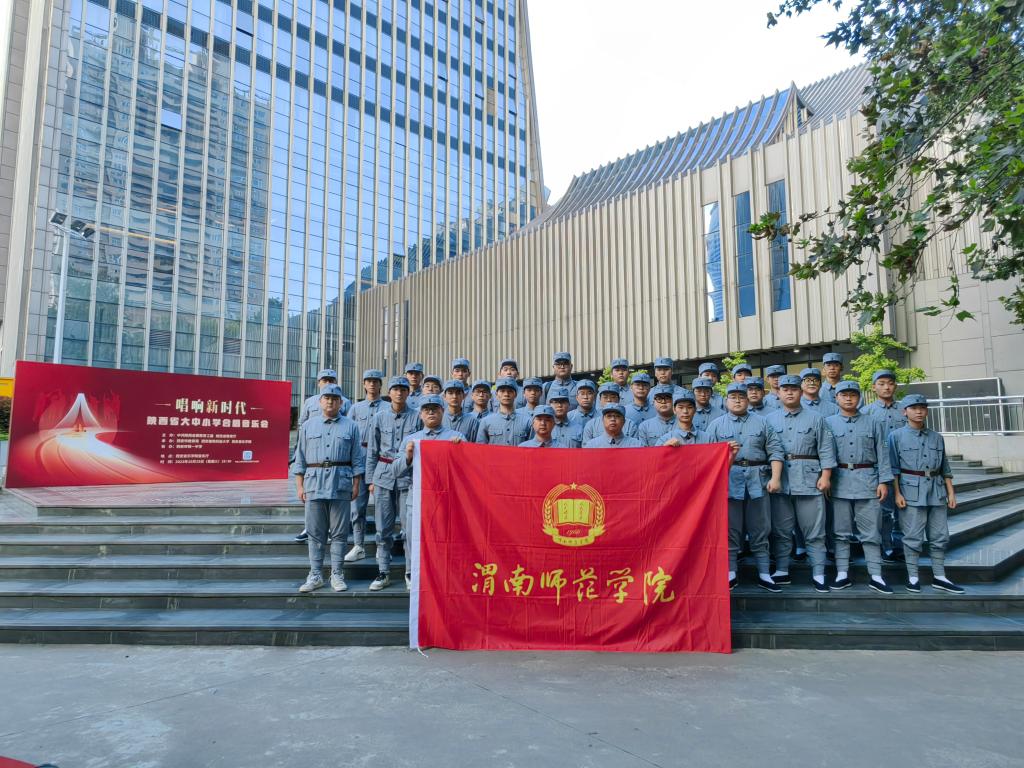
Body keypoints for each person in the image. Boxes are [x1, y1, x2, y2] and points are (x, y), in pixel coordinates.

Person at [704, 382, 784, 591]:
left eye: (742, 397)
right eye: (733, 397)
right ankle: (731, 572)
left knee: (761, 528)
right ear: (725, 401)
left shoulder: (763, 422)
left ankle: (764, 573)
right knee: (730, 529)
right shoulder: (716, 425)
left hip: (758, 479)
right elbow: (706, 457)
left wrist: (775, 478)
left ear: (748, 400)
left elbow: (775, 451)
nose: (738, 400)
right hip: (729, 481)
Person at [765, 374, 838, 592]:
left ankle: (818, 573)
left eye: (794, 389)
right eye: (785, 389)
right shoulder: (769, 419)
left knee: (815, 532)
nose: (789, 392)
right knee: (781, 530)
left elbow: (826, 449)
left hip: (810, 481)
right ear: (778, 392)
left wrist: (826, 476)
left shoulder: (816, 418)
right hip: (781, 482)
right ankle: (782, 570)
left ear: (801, 391)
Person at [291, 384, 364, 593]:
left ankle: (337, 574)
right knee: (315, 533)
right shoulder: (308, 426)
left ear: (341, 402)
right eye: (326, 398)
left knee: (340, 533)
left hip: (341, 484)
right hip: (313, 484)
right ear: (320, 401)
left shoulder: (351, 426)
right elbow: (300, 458)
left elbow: (357, 459)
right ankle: (315, 575)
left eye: (335, 398)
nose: (330, 401)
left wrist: (356, 485)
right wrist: (299, 486)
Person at [889, 394, 963, 594]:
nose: (919, 411)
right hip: (910, 491)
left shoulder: (936, 437)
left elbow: (945, 467)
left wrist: (951, 493)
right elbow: (894, 469)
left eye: (922, 408)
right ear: (905, 412)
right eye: (914, 408)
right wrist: (897, 493)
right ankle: (913, 577)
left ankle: (940, 576)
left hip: (936, 491)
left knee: (940, 535)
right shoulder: (896, 436)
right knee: (912, 536)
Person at [826, 380, 895, 593]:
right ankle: (842, 574)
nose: (848, 398)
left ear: (860, 397)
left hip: (868, 482)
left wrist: (884, 481)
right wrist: (825, 478)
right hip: (839, 482)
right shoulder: (828, 423)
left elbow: (883, 454)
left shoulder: (873, 422)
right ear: (836, 398)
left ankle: (876, 575)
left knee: (871, 532)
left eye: (853, 395)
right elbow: (824, 453)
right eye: (844, 395)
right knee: (841, 532)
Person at [395, 394, 464, 590]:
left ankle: (444, 573)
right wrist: (408, 457)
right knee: (413, 536)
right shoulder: (411, 440)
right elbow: (395, 471)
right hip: (417, 498)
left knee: (445, 537)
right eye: (426, 409)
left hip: (446, 498)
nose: (431, 412)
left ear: (443, 411)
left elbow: (466, 469)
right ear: (420, 414)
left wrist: (460, 450)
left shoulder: (455, 437)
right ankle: (411, 572)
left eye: (435, 409)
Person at [365, 376, 419, 592]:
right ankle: (383, 571)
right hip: (384, 474)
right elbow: (372, 451)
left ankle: (409, 572)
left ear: (408, 392)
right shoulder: (379, 417)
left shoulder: (417, 416)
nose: (399, 393)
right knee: (383, 528)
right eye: (395, 389)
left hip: (408, 476)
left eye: (403, 389)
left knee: (409, 529)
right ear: (389, 392)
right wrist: (370, 480)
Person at [294, 368, 352, 543]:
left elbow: (347, 425)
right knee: (313, 502)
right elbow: (302, 424)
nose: (328, 383)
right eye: (324, 380)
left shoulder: (345, 402)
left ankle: (336, 528)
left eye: (331, 380)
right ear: (318, 383)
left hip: (336, 453)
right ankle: (310, 528)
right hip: (315, 454)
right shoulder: (310, 402)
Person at [861, 369, 908, 562]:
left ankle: (902, 545)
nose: (886, 387)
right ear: (874, 387)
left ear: (895, 386)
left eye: (890, 383)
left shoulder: (905, 409)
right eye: (881, 384)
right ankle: (887, 546)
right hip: (881, 469)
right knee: (884, 511)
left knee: (905, 510)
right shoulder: (866, 412)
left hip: (905, 468)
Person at [340, 369, 385, 561]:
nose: (372, 384)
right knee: (357, 507)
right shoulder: (355, 408)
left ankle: (382, 546)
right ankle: (358, 545)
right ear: (364, 384)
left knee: (383, 508)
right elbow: (347, 434)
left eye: (376, 381)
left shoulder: (387, 407)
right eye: (369, 381)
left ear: (380, 384)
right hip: (360, 458)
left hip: (381, 460)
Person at [476, 376, 533, 445]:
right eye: (502, 391)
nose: (506, 394)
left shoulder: (527, 421)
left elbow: (532, 448)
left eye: (510, 391)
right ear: (496, 395)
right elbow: (480, 449)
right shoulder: (486, 421)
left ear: (515, 394)